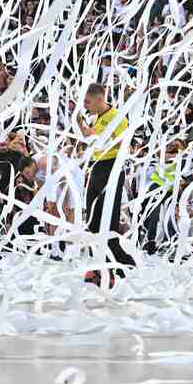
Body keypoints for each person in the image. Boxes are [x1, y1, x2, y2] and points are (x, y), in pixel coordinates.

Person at [77, 83, 136, 284]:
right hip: (97, 167)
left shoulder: (118, 118)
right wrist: (79, 123)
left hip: (112, 168)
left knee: (107, 223)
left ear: (100, 99)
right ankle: (104, 266)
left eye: (87, 101)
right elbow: (91, 138)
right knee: (93, 222)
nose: (85, 105)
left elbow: (122, 143)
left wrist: (99, 137)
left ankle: (114, 268)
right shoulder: (99, 118)